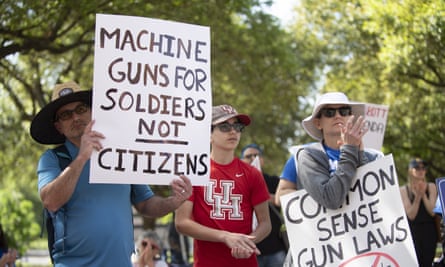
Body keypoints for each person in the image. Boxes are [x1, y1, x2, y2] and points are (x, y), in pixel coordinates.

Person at [30, 81, 192, 266]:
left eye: (81, 109)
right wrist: (82, 157)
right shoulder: (52, 159)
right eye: (66, 114)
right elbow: (51, 201)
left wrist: (174, 201)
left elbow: (146, 204)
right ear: (59, 126)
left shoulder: (120, 154)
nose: (75, 117)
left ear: (93, 111)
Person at [175, 104, 272, 267]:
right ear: (209, 134)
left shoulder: (253, 174)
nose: (233, 131)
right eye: (225, 126)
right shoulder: (193, 171)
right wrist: (225, 236)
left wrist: (246, 243)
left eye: (237, 126)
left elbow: (265, 224)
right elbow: (181, 223)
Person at [296, 92, 382, 209]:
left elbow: (376, 196)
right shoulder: (309, 157)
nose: (338, 116)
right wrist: (350, 151)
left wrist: (360, 155)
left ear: (350, 117)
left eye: (344, 111)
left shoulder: (374, 156)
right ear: (318, 123)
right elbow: (331, 200)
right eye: (329, 112)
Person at [240, 143, 287, 267]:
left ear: (262, 160)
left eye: (256, 155)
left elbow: (287, 200)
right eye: (248, 156)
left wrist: (262, 195)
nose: (252, 158)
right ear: (241, 161)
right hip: (249, 250)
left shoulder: (274, 181)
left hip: (275, 248)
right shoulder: (236, 183)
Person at [400, 158, 438, 267]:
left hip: (429, 230)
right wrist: (417, 197)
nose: (421, 170)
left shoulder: (431, 187)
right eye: (417, 168)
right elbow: (411, 215)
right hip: (413, 232)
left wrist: (423, 195)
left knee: (427, 262)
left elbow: (432, 212)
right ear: (410, 170)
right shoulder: (403, 190)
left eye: (423, 168)